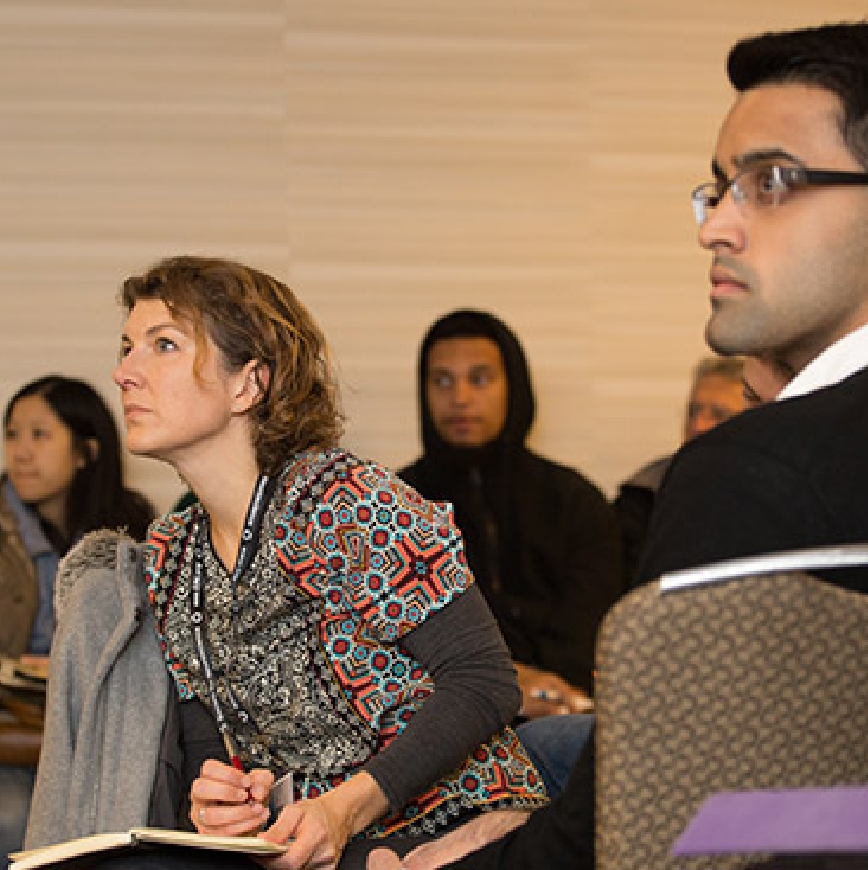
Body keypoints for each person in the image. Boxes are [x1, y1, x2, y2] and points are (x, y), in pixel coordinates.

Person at [366, 18, 868, 870]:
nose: (715, 227)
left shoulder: (751, 474)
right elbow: (823, 809)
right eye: (718, 189)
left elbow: (665, 835)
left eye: (773, 181)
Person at [59, 256, 549, 870]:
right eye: (127, 347)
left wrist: (344, 809)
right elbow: (206, 736)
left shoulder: (344, 502)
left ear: (249, 384)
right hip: (310, 847)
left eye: (163, 345)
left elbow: (486, 681)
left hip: (455, 826)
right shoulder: (171, 553)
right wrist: (217, 800)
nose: (125, 372)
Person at [400, 310, 623, 721]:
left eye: (479, 378)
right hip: (445, 718)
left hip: (565, 711)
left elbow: (594, 630)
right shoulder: (397, 507)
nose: (461, 397)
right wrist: (504, 686)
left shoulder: (574, 502)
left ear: (513, 386)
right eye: (442, 380)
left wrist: (541, 691)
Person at [1, 375, 155, 866]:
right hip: (13, 729)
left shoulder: (131, 528)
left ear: (86, 451)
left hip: (93, 730)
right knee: (13, 819)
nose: (20, 452)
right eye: (12, 434)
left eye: (39, 435)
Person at [613, 355, 746, 584]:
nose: (698, 425)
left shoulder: (772, 498)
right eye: (693, 411)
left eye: (719, 414)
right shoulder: (644, 495)